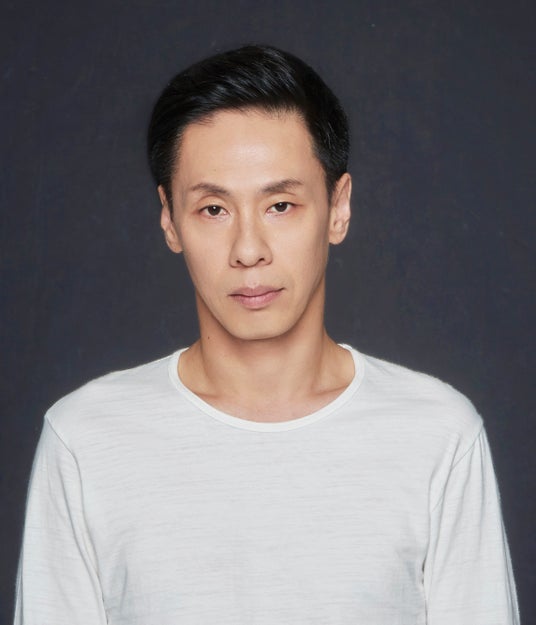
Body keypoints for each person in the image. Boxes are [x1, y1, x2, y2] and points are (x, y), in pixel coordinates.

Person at [14, 45, 519, 625]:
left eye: (280, 205)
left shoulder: (438, 435)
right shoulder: (85, 440)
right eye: (213, 210)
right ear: (169, 219)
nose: (248, 250)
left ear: (338, 208)